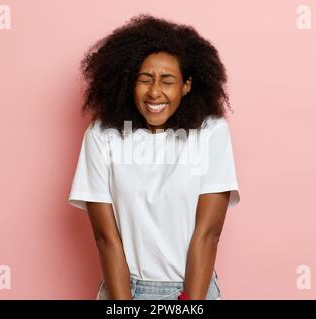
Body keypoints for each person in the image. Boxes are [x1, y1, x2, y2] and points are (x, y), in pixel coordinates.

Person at [68, 14, 241, 300]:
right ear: (128, 82)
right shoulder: (103, 136)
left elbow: (208, 233)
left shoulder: (211, 133)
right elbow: (106, 239)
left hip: (193, 289)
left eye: (167, 80)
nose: (155, 92)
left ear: (186, 86)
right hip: (123, 290)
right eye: (145, 79)